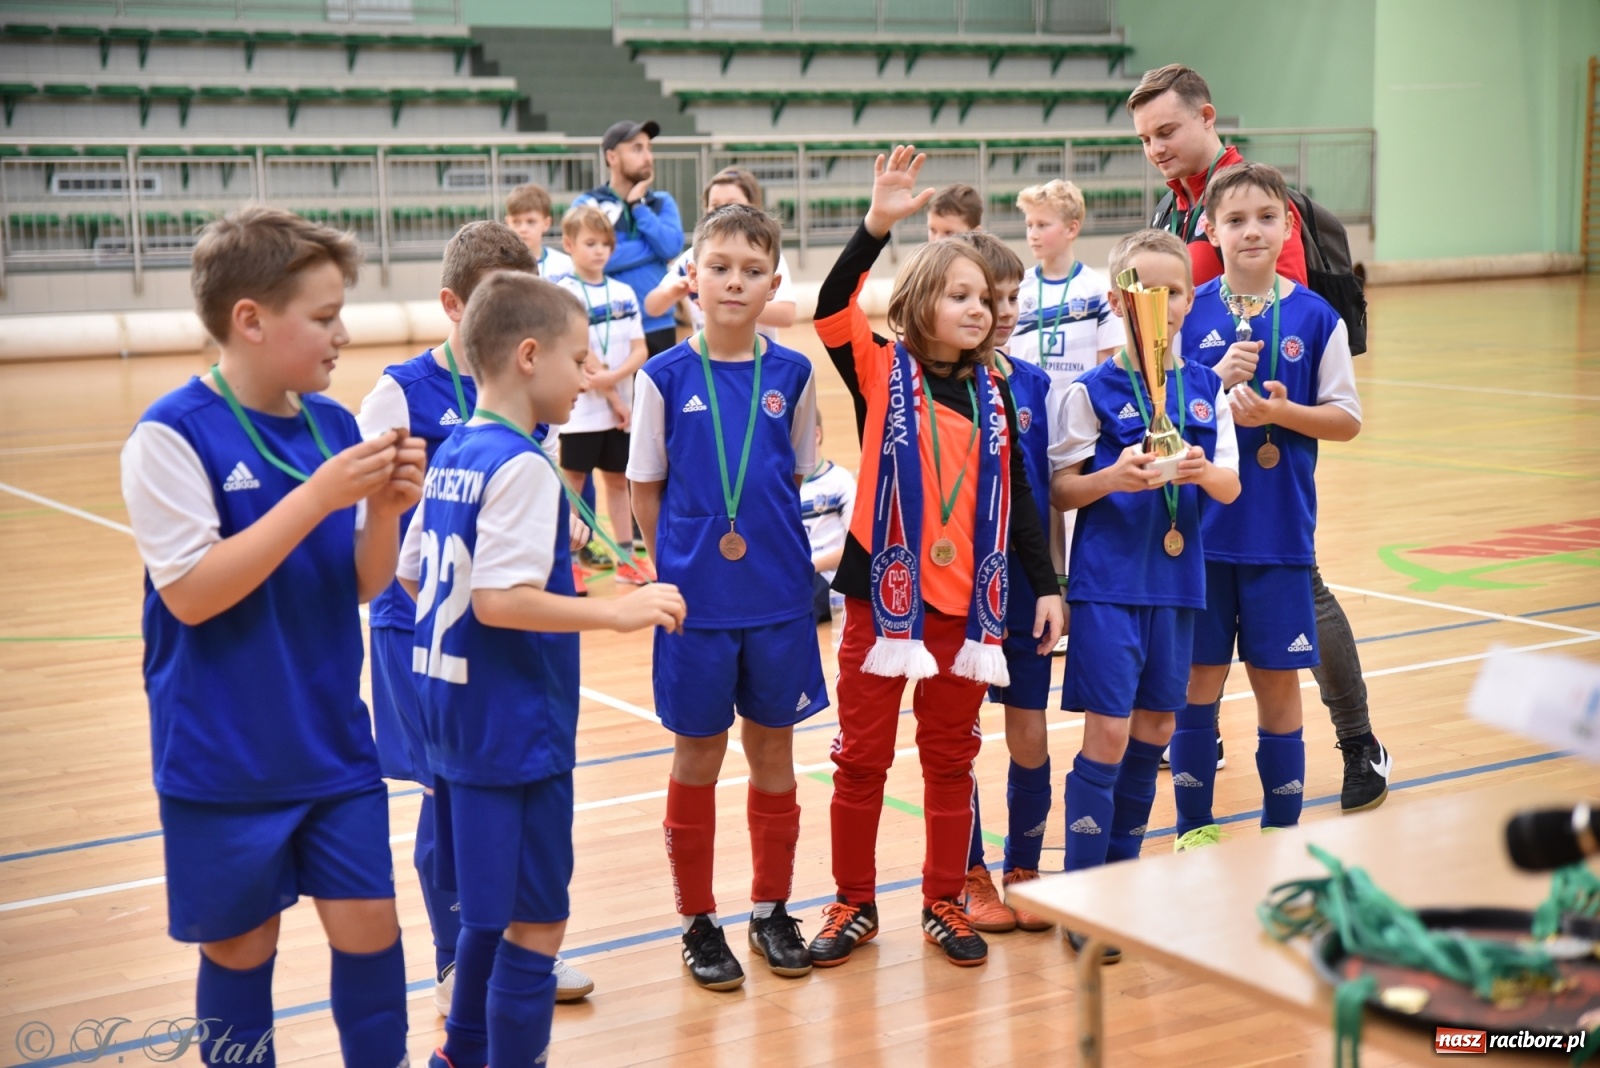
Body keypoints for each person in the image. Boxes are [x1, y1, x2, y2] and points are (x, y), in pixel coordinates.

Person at [121, 206, 423, 1068]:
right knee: (241, 948)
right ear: (250, 319)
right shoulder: (170, 435)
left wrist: (384, 512)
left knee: (371, 928)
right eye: (324, 317)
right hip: (223, 757)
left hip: (331, 744)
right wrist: (319, 496)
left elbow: (360, 583)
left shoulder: (333, 426)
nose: (342, 335)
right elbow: (192, 595)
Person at [399, 272, 686, 1068]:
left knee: (488, 916)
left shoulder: (455, 450)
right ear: (529, 356)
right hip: (513, 730)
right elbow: (498, 600)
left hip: (453, 719)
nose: (588, 376)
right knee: (537, 923)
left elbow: (413, 573)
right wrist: (615, 612)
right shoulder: (523, 465)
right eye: (579, 358)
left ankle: (459, 1054)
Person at [806, 146, 1063, 970]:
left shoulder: (1000, 392)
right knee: (861, 761)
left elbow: (1022, 500)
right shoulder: (880, 369)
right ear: (919, 304)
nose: (980, 309)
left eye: (986, 298)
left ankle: (943, 900)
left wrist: (1046, 584)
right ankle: (853, 902)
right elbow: (831, 304)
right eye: (960, 296)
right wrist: (876, 224)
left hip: (967, 608)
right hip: (882, 605)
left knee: (952, 763)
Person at [1129, 63, 1390, 811]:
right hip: (1205, 471)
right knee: (1203, 631)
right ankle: (1199, 750)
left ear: (1206, 117)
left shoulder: (1257, 202)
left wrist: (1269, 404)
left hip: (1271, 467)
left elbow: (1286, 328)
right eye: (1145, 138)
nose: (1157, 147)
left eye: (1168, 130)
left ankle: (1357, 740)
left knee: (1303, 590)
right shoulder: (1178, 206)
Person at [354, 220, 597, 1012]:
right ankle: (456, 959)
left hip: (489, 633)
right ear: (455, 305)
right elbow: (375, 520)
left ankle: (515, 943)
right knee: (444, 790)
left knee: (492, 793)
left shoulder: (528, 398)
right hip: (420, 625)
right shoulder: (400, 393)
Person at [628, 203, 827, 991]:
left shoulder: (795, 374)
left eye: (752, 271)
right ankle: (698, 919)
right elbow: (646, 488)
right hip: (697, 607)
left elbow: (796, 473)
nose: (734, 283)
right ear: (692, 277)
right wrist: (673, 570)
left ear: (774, 284)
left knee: (774, 753)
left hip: (777, 599)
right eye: (719, 268)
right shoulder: (662, 377)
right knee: (698, 755)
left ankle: (771, 908)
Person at [1048, 227, 1240, 962]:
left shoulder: (1205, 389)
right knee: (1107, 734)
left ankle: (1120, 887)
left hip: (1179, 586)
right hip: (1109, 587)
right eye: (1144, 290)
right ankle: (1083, 895)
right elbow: (1062, 491)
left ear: (1191, 300)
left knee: (1156, 730)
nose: (1161, 302)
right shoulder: (1089, 391)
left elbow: (1230, 484)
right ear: (1115, 299)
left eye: (1174, 290)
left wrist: (1199, 470)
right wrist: (1112, 478)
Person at [1171, 162, 1363, 851]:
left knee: (1278, 683)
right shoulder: (1186, 312)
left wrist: (1285, 412)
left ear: (1288, 226)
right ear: (1210, 230)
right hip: (1200, 538)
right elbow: (1162, 416)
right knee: (1197, 683)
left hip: (1279, 536)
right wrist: (1209, 386)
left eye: (1265, 218)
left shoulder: (1316, 317)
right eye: (1235, 219)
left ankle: (1282, 832)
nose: (1251, 231)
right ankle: (1194, 828)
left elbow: (1347, 420)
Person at [941, 231, 1059, 934]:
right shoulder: (932, 386)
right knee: (956, 738)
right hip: (956, 592)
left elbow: (1046, 493)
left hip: (1023, 589)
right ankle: (970, 873)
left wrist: (1054, 584)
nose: (1006, 310)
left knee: (1030, 733)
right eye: (992, 296)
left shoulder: (1036, 385)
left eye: (1014, 296)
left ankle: (1025, 866)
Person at [556, 205, 652, 588]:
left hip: (619, 410)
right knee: (574, 484)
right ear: (568, 244)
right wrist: (615, 397)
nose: (599, 251)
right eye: (590, 243)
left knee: (616, 482)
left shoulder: (623, 292)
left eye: (605, 244)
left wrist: (614, 381)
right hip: (581, 412)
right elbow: (582, 353)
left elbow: (640, 349)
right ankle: (570, 564)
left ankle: (627, 559)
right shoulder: (563, 292)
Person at [572, 119, 685, 356]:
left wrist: (638, 207)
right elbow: (597, 259)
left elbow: (671, 247)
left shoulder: (661, 201)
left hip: (659, 325)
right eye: (637, 149)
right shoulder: (589, 204)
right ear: (612, 157)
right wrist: (652, 250)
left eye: (649, 148)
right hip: (610, 325)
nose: (647, 157)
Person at [645, 167, 797, 341]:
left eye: (733, 204)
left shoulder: (765, 257)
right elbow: (652, 307)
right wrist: (671, 292)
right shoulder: (692, 257)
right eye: (715, 206)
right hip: (706, 354)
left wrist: (734, 305)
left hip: (757, 355)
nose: (724, 211)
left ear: (754, 207)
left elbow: (787, 315)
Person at [1008, 180, 1121, 390]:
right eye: (1029, 225)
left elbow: (1104, 366)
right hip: (1026, 406)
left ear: (1071, 229)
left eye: (1042, 225)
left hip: (1078, 406)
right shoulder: (1016, 289)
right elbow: (1004, 356)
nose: (1033, 234)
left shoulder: (1097, 290)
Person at [799, 410, 855, 623]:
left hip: (826, 577)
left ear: (816, 435)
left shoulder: (840, 481)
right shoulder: (782, 485)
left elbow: (854, 547)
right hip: (794, 574)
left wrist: (809, 565)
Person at [504, 183, 574, 280]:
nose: (523, 229)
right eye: (516, 222)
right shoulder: (500, 267)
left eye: (531, 222)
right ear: (507, 223)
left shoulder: (564, 265)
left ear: (546, 223)